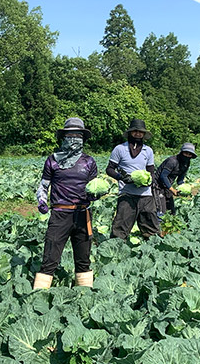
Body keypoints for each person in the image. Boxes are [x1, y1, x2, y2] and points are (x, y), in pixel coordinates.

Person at [32, 117, 100, 289]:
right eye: (70, 135)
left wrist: (95, 196)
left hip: (82, 215)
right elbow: (43, 185)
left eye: (77, 135)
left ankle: (84, 296)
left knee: (83, 260)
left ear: (83, 139)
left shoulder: (89, 161)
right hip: (60, 214)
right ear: (64, 137)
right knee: (49, 258)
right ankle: (37, 297)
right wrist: (41, 200)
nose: (74, 139)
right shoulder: (52, 160)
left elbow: (95, 186)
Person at [106, 118, 160, 240]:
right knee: (120, 227)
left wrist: (149, 181)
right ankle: (116, 251)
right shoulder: (119, 149)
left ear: (144, 134)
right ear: (130, 132)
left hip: (146, 195)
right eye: (135, 131)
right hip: (127, 193)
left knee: (150, 228)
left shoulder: (148, 151)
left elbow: (151, 171)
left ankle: (153, 250)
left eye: (140, 132)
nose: (137, 134)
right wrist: (121, 177)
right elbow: (109, 169)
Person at [154, 142, 197, 218]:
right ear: (182, 152)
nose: (187, 155)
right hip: (158, 186)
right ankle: (157, 228)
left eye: (189, 154)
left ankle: (168, 228)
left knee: (172, 211)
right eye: (186, 153)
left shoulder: (186, 163)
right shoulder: (172, 161)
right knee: (161, 211)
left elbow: (180, 180)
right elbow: (163, 176)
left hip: (168, 187)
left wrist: (183, 189)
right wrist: (172, 189)